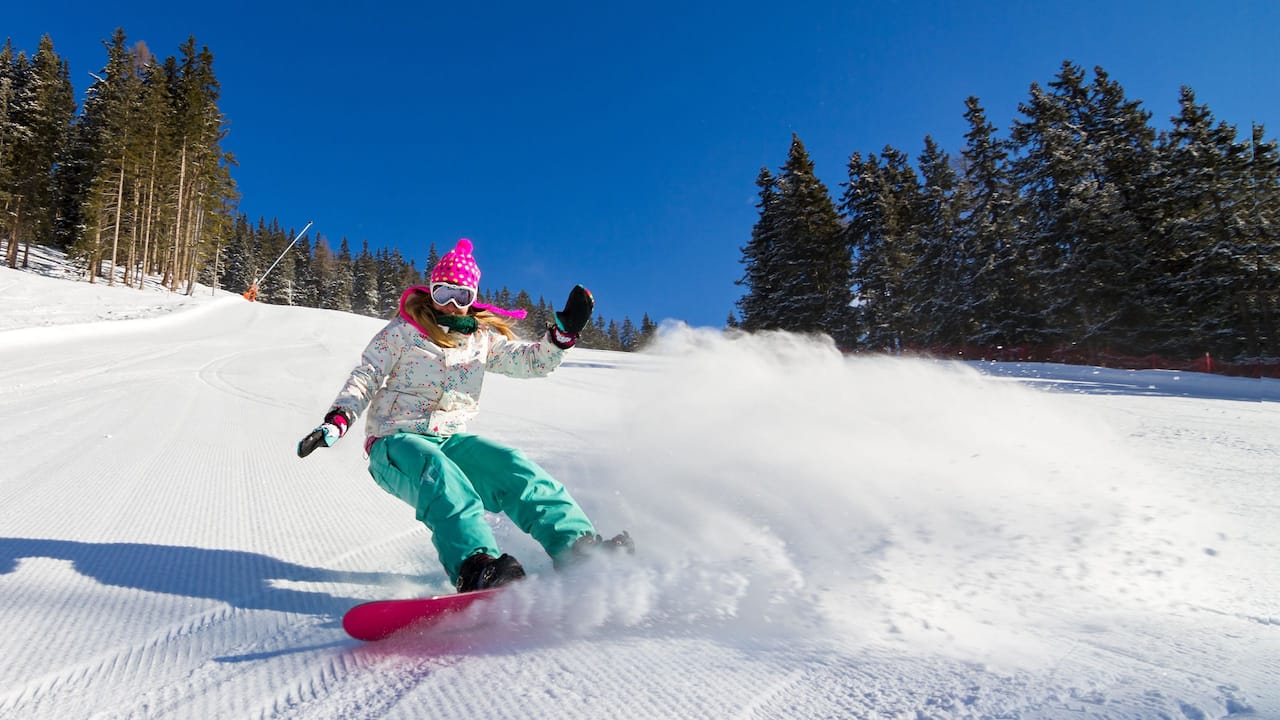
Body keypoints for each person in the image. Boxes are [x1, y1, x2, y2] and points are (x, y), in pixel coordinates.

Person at [297, 238, 632, 592]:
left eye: (462, 297)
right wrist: (338, 419)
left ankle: (577, 548)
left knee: (513, 468)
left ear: (473, 299)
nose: (453, 306)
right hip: (395, 443)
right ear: (430, 292)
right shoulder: (404, 331)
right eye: (443, 295)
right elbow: (366, 374)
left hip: (449, 439)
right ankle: (475, 565)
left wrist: (562, 337)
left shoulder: (480, 340)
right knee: (441, 477)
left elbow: (531, 362)